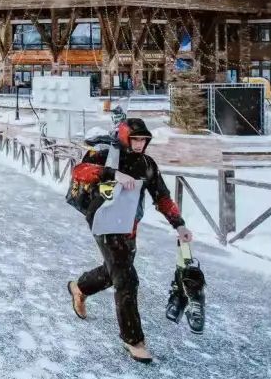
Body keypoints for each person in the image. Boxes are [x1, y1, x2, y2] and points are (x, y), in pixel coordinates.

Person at [66, 118, 192, 364]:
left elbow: (162, 198)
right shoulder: (105, 154)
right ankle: (133, 339)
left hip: (129, 227)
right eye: (135, 139)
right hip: (103, 222)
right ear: (124, 138)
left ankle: (79, 288)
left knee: (112, 271)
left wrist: (179, 224)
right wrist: (112, 173)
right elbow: (79, 171)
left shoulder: (147, 165)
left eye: (143, 140)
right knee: (126, 279)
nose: (139, 144)